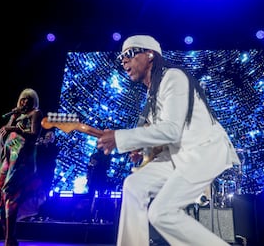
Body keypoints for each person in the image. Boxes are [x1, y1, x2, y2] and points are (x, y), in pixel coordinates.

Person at [97, 35, 241, 246]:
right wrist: (144, 148)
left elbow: (171, 130)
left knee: (161, 213)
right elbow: (164, 136)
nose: (124, 61)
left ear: (150, 55)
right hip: (178, 155)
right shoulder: (153, 93)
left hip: (203, 152)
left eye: (129, 54)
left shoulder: (173, 77)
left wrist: (120, 137)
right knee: (133, 185)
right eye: (121, 57)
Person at [0, 88, 43, 246]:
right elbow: (6, 133)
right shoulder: (17, 115)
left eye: (28, 99)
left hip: (21, 160)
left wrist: (16, 128)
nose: (25, 102)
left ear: (33, 101)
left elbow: (34, 135)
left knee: (11, 195)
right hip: (7, 158)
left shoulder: (36, 113)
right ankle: (10, 235)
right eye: (23, 99)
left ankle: (9, 239)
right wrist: (14, 118)